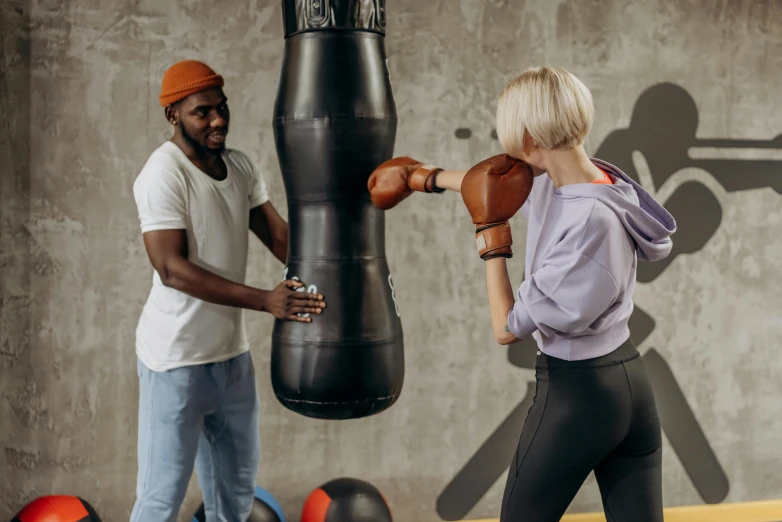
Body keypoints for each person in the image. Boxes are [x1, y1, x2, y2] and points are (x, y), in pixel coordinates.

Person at [368, 66, 676, 521]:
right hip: (630, 385)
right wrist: (423, 177)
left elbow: (507, 326)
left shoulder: (587, 224)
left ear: (529, 137)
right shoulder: (591, 184)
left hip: (579, 394)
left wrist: (490, 236)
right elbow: (493, 184)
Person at [130, 60, 326, 522]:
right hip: (175, 361)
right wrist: (265, 299)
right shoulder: (162, 174)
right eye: (203, 112)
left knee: (235, 496)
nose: (217, 120)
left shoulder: (239, 166)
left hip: (231, 361)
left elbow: (281, 239)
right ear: (173, 115)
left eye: (222, 108)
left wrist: (340, 267)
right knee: (161, 500)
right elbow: (171, 268)